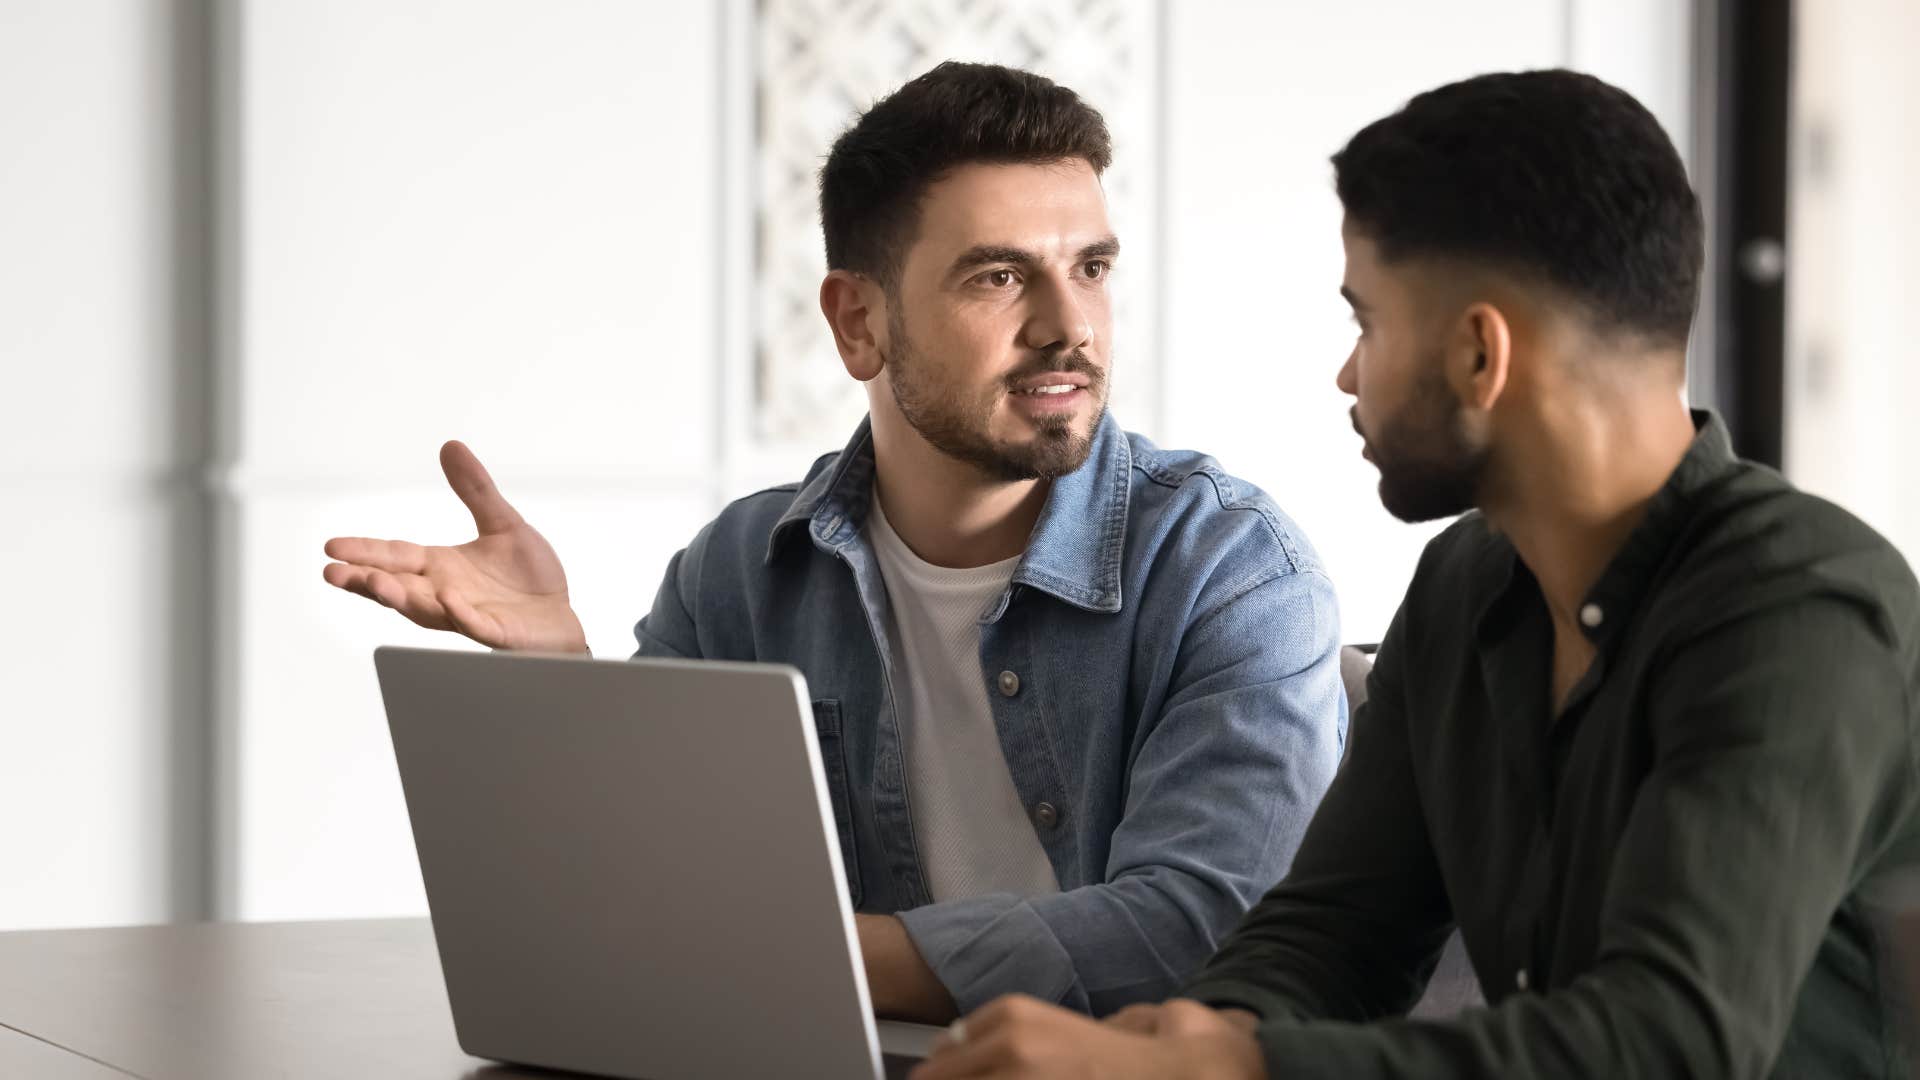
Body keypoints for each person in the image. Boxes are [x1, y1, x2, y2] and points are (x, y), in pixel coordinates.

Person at [911, 69, 1920, 1079]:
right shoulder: (1467, 584)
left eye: (1370, 323)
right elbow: (1335, 934)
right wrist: (1174, 1041)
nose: (1349, 375)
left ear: (1482, 356)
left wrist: (1230, 1071)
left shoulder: (1800, 612)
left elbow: (1668, 1041)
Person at [322, 62, 1345, 1023]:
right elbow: (648, 909)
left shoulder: (1233, 569)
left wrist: (811, 963)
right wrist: (566, 684)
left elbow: (1213, 926)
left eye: (1091, 267)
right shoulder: (741, 572)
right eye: (997, 277)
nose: (1068, 325)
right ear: (859, 322)